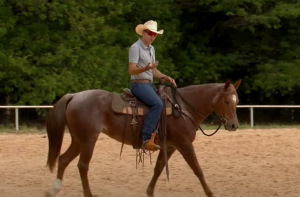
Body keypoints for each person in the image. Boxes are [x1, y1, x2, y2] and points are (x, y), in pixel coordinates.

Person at [128, 20, 177, 150]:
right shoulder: (135, 47)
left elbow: (153, 71)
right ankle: (145, 139)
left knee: (167, 102)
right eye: (150, 33)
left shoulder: (151, 49)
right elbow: (131, 70)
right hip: (138, 85)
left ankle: (158, 134)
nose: (152, 37)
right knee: (158, 104)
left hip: (148, 85)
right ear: (143, 33)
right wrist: (146, 68)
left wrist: (166, 77)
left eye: (154, 35)